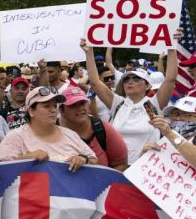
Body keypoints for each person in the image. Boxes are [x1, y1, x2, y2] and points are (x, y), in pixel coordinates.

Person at [81, 32, 179, 163]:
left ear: (147, 85)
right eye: (126, 79)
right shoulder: (117, 103)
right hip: (117, 168)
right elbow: (95, 82)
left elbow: (170, 79)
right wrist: (89, 52)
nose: (130, 81)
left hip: (146, 168)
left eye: (136, 78)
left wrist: (172, 49)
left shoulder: (154, 104)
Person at [0, 86, 98, 172]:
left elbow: (94, 160)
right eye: (46, 106)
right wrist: (26, 159)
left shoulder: (70, 134)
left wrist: (83, 159)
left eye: (55, 106)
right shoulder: (16, 136)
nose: (53, 110)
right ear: (31, 111)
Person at [59, 87, 128, 171]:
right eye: (73, 105)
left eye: (82, 103)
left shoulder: (102, 128)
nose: (80, 108)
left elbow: (121, 164)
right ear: (62, 110)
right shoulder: (52, 129)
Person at [142, 97, 196, 166]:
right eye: (174, 114)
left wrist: (170, 133)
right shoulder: (162, 137)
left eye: (186, 115)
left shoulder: (168, 133)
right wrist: (145, 155)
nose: (178, 118)